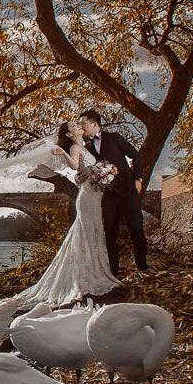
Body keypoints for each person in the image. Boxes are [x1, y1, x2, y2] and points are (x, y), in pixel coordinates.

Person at [14, 120, 121, 305]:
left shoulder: (85, 148)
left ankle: (96, 271)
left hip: (95, 196)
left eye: (78, 124)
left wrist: (107, 173)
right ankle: (85, 277)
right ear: (70, 135)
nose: (79, 126)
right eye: (74, 126)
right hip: (87, 198)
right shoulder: (73, 148)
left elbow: (82, 172)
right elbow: (73, 166)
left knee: (94, 233)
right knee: (87, 233)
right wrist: (63, 152)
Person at [78, 110, 148, 277]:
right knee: (109, 233)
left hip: (128, 191)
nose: (81, 127)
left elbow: (135, 156)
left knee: (136, 230)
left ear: (94, 124)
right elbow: (86, 170)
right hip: (107, 195)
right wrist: (78, 176)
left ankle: (143, 268)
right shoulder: (86, 148)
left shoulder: (114, 138)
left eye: (83, 124)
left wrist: (138, 179)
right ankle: (113, 273)